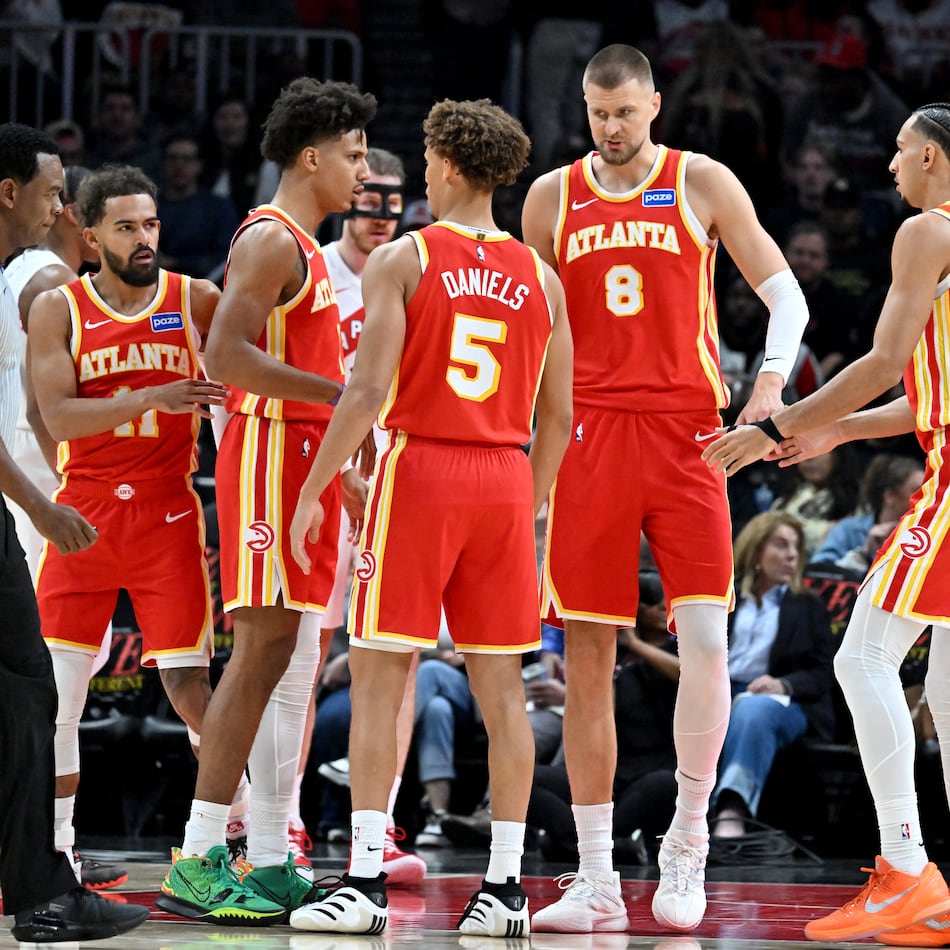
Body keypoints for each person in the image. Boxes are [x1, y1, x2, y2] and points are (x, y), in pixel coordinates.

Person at [520, 43, 810, 934]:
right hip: (588, 438)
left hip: (690, 437)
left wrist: (767, 389)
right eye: (596, 112)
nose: (609, 127)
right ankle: (599, 873)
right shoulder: (549, 197)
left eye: (624, 112)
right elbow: (530, 333)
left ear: (653, 105)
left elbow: (787, 296)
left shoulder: (701, 180)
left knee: (708, 646)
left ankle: (688, 844)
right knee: (590, 662)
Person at [286, 96, 574, 937]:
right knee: (503, 694)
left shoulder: (404, 258)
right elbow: (558, 416)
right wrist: (533, 500)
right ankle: (506, 893)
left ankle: (365, 884)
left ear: (446, 165)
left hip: (422, 470)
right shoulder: (542, 276)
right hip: (505, 477)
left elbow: (369, 390)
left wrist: (316, 485)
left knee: (381, 677)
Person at [701, 101, 950, 945]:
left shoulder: (927, 231)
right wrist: (838, 427)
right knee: (947, 691)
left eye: (901, 148)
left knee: (864, 654)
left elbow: (882, 361)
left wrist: (776, 423)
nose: (888, 164)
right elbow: (924, 397)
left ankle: (907, 870)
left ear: (935, 159)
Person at [157, 76, 378, 926]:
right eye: (354, 155)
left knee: (289, 660)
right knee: (254, 659)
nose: (362, 172)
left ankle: (276, 858)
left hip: (298, 459)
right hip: (263, 462)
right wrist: (338, 393)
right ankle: (200, 852)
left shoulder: (308, 249)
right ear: (312, 156)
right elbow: (226, 356)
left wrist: (339, 465)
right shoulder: (271, 239)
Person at [27, 162, 231, 896]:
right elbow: (58, 416)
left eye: (151, 224)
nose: (145, 238)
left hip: (167, 512)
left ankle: (223, 842)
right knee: (55, 699)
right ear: (90, 233)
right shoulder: (60, 307)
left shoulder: (195, 299)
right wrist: (158, 392)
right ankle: (55, 854)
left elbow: (242, 380)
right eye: (126, 226)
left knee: (190, 688)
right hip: (82, 510)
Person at [0, 121, 149, 944]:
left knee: (35, 688)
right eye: (55, 192)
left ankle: (42, 876)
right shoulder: (46, 279)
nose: (62, 205)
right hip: (35, 494)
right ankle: (43, 877)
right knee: (35, 687)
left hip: (20, 490)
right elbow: (37, 399)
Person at [292, 145, 427, 886]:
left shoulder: (417, 270)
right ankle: (283, 818)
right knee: (301, 654)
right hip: (321, 475)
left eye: (393, 200)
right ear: (350, 195)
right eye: (369, 196)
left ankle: (384, 820)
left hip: (393, 484)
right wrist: (333, 472)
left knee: (397, 661)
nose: (380, 214)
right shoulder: (313, 270)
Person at [527, 570, 679, 864]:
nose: (663, 607)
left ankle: (570, 844)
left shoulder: (676, 647)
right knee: (523, 778)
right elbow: (600, 709)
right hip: (612, 767)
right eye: (652, 601)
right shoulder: (612, 654)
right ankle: (596, 846)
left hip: (652, 769)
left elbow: (689, 675)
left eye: (666, 600)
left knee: (665, 784)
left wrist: (638, 645)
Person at [710, 511, 836, 839]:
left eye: (796, 547)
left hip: (784, 700)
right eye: (781, 545)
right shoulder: (724, 597)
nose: (792, 554)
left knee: (752, 708)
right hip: (723, 691)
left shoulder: (808, 606)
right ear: (756, 549)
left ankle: (732, 809)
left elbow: (823, 673)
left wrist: (783, 683)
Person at [809, 452, 926, 575]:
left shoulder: (926, 536)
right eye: (916, 490)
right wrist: (864, 553)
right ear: (889, 496)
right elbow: (816, 573)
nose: (925, 497)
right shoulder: (849, 529)